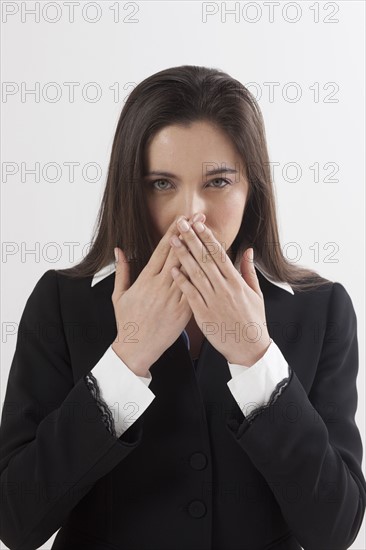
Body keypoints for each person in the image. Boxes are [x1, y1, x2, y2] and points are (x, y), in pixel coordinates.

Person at [0, 65, 365, 550]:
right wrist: (126, 360)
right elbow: (16, 523)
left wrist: (256, 356)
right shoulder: (61, 303)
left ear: (251, 188)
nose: (191, 213)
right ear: (131, 189)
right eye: (161, 184)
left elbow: (334, 530)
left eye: (217, 182)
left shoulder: (322, 310)